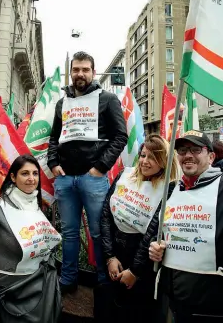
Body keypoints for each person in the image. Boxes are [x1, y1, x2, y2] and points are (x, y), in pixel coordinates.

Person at [47, 51, 127, 294]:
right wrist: (52, 163)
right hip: (64, 179)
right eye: (76, 69)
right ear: (71, 72)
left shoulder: (109, 99)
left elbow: (120, 136)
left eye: (85, 69)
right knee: (69, 233)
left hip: (93, 179)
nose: (80, 74)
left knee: (97, 232)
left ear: (93, 72)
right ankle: (68, 279)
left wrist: (99, 168)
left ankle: (103, 282)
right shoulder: (62, 103)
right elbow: (54, 137)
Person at [0, 154, 62, 323]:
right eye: (25, 173)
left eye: (35, 174)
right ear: (12, 177)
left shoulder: (36, 206)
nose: (31, 179)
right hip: (2, 292)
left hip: (34, 292)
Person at [98, 134, 179, 323]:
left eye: (152, 157)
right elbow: (105, 214)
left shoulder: (168, 188)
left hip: (142, 262)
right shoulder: (125, 176)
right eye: (143, 155)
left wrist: (134, 271)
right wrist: (110, 256)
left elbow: (153, 231)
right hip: (115, 255)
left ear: (163, 161)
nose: (145, 161)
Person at [149, 130, 223, 323]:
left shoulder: (221, 186)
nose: (188, 155)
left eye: (196, 149)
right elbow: (161, 231)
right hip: (174, 296)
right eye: (182, 150)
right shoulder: (172, 188)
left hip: (211, 300)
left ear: (211, 156)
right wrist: (157, 248)